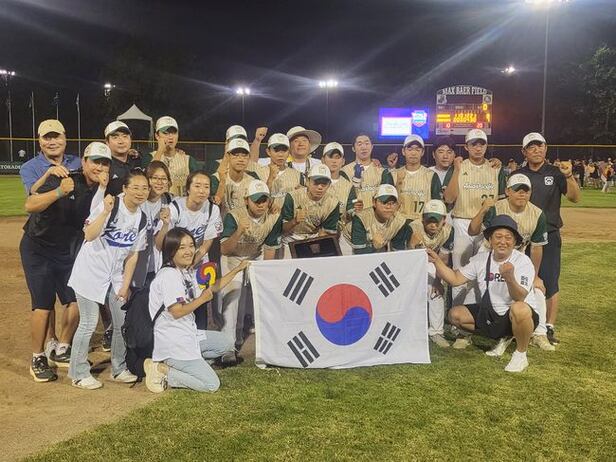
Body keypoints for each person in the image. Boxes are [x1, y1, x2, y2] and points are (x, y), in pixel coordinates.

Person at [21, 142, 111, 382]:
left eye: (105, 163)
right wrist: (59, 191)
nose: (100, 167)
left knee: (75, 301)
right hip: (38, 248)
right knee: (43, 304)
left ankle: (62, 348)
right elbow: (30, 204)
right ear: (84, 162)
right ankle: (37, 357)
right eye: (95, 162)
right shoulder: (64, 178)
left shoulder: (103, 189)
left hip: (68, 252)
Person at [67, 169, 149, 389]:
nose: (140, 192)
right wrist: (104, 212)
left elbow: (133, 255)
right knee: (88, 322)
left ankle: (118, 369)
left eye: (144, 188)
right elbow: (89, 234)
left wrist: (125, 285)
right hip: (90, 272)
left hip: (115, 276)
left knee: (122, 322)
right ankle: (78, 373)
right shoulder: (110, 205)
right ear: (124, 188)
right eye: (135, 187)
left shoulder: (141, 218)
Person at [429, 215, 540, 373]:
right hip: (493, 314)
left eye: (508, 237)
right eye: (498, 237)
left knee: (519, 308)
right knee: (455, 315)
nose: (503, 241)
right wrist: (437, 261)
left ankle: (521, 354)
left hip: (519, 313)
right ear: (490, 240)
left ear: (515, 241)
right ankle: (504, 337)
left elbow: (519, 297)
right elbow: (455, 279)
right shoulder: (480, 260)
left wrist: (510, 278)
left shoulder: (522, 261)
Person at [144, 228, 247, 394]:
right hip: (174, 343)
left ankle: (189, 365)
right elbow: (176, 312)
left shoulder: (185, 272)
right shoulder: (169, 276)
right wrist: (201, 300)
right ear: (171, 251)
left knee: (227, 343)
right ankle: (163, 370)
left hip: (188, 334)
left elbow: (213, 287)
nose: (189, 251)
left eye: (191, 245)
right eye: (182, 247)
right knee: (211, 384)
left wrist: (237, 270)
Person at [468, 173, 554, 352]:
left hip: (516, 257)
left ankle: (539, 333)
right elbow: (473, 231)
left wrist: (535, 275)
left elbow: (536, 248)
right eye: (517, 190)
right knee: (476, 287)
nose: (522, 194)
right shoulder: (496, 208)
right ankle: (482, 329)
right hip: (489, 253)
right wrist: (483, 210)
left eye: (525, 190)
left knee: (536, 289)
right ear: (508, 191)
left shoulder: (537, 213)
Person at [516, 133, 580, 344]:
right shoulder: (518, 175)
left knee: (550, 280)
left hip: (550, 234)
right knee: (521, 280)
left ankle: (549, 326)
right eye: (531, 147)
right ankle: (522, 322)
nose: (536, 150)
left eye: (540, 146)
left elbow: (575, 198)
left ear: (546, 148)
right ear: (524, 151)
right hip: (522, 236)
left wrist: (569, 176)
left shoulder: (556, 172)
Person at [443, 128, 506, 310]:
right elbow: (449, 198)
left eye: (481, 144)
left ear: (486, 146)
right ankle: (457, 315)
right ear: (466, 147)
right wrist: (457, 170)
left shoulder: (496, 168)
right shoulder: (459, 166)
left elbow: (502, 201)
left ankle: (477, 314)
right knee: (460, 271)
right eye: (474, 144)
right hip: (462, 221)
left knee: (483, 271)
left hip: (487, 225)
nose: (478, 148)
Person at [155, 170, 222, 332]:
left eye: (206, 187)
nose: (202, 190)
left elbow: (207, 242)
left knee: (200, 307)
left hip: (197, 264)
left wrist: (194, 260)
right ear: (188, 189)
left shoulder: (212, 209)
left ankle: (199, 340)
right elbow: (160, 245)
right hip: (175, 266)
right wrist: (165, 224)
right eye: (197, 186)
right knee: (177, 308)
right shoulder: (175, 208)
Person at [220, 180, 282, 349]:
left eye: (264, 200)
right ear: (246, 200)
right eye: (256, 200)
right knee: (233, 297)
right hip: (233, 257)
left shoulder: (273, 217)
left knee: (263, 293)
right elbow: (224, 249)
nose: (261, 204)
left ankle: (251, 336)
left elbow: (270, 249)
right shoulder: (234, 216)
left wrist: (264, 276)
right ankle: (227, 344)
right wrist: (239, 231)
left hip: (255, 256)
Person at [408, 200, 454, 348]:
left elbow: (443, 259)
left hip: (431, 262)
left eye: (436, 221)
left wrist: (438, 281)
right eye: (429, 220)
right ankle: (410, 329)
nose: (433, 225)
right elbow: (401, 257)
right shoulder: (411, 228)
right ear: (423, 219)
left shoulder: (448, 231)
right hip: (410, 265)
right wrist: (411, 245)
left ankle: (436, 331)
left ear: (444, 220)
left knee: (436, 288)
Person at [281, 164, 340, 256]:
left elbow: (327, 232)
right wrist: (294, 221)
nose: (320, 187)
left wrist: (313, 248)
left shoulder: (333, 203)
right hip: (291, 238)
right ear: (308, 182)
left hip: (315, 239)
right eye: (316, 182)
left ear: (329, 185)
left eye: (324, 184)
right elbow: (282, 228)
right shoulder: (292, 196)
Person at [133, 161, 173, 287]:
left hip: (155, 267)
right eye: (154, 178)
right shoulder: (136, 199)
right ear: (147, 180)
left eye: (163, 178)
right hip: (132, 266)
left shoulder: (169, 201)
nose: (159, 182)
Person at [20, 119, 81, 195]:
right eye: (47, 138)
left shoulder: (78, 162)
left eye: (57, 137)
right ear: (39, 141)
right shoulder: (29, 167)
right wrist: (48, 174)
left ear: (65, 139)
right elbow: (32, 194)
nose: (52, 142)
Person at [321, 142, 361, 255]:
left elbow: (352, 207)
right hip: (317, 233)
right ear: (323, 160)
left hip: (341, 234)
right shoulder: (315, 182)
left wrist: (355, 211)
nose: (334, 161)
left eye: (337, 157)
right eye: (330, 157)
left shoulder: (348, 186)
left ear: (343, 161)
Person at [142, 116, 199, 196]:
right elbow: (145, 181)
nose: (171, 137)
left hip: (181, 202)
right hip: (157, 202)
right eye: (165, 133)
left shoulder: (188, 160)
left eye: (174, 133)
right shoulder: (149, 157)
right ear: (157, 136)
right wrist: (160, 151)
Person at [347, 184, 412, 254]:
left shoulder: (399, 221)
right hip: (348, 244)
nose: (388, 207)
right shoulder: (361, 218)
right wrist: (373, 246)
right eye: (384, 202)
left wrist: (411, 245)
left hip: (378, 246)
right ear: (374, 202)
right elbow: (358, 253)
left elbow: (397, 251)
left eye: (392, 203)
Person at [391, 134, 441, 221]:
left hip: (422, 223)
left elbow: (437, 204)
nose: (413, 153)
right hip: (398, 223)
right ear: (403, 151)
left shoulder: (431, 175)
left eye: (417, 149)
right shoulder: (393, 174)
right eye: (410, 149)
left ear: (423, 152)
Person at [247, 133, 302, 208]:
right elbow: (258, 201)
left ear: (289, 152)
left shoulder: (297, 175)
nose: (280, 154)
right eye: (276, 150)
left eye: (284, 150)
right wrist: (270, 179)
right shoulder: (258, 172)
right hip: (266, 214)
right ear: (268, 152)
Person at [211, 138, 259, 214]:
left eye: (244, 156)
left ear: (249, 158)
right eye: (236, 155)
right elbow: (212, 207)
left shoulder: (253, 181)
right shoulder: (215, 178)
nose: (241, 159)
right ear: (228, 156)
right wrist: (222, 182)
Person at [341, 134, 391, 206]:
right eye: (359, 144)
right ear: (353, 148)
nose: (364, 147)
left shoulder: (382, 171)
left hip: (375, 213)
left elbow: (386, 199)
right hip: (353, 212)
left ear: (372, 146)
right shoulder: (344, 171)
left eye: (367, 143)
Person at [103, 121, 142, 196]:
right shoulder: (103, 165)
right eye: (115, 137)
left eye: (125, 136)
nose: (121, 141)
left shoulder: (137, 160)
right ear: (107, 142)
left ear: (130, 140)